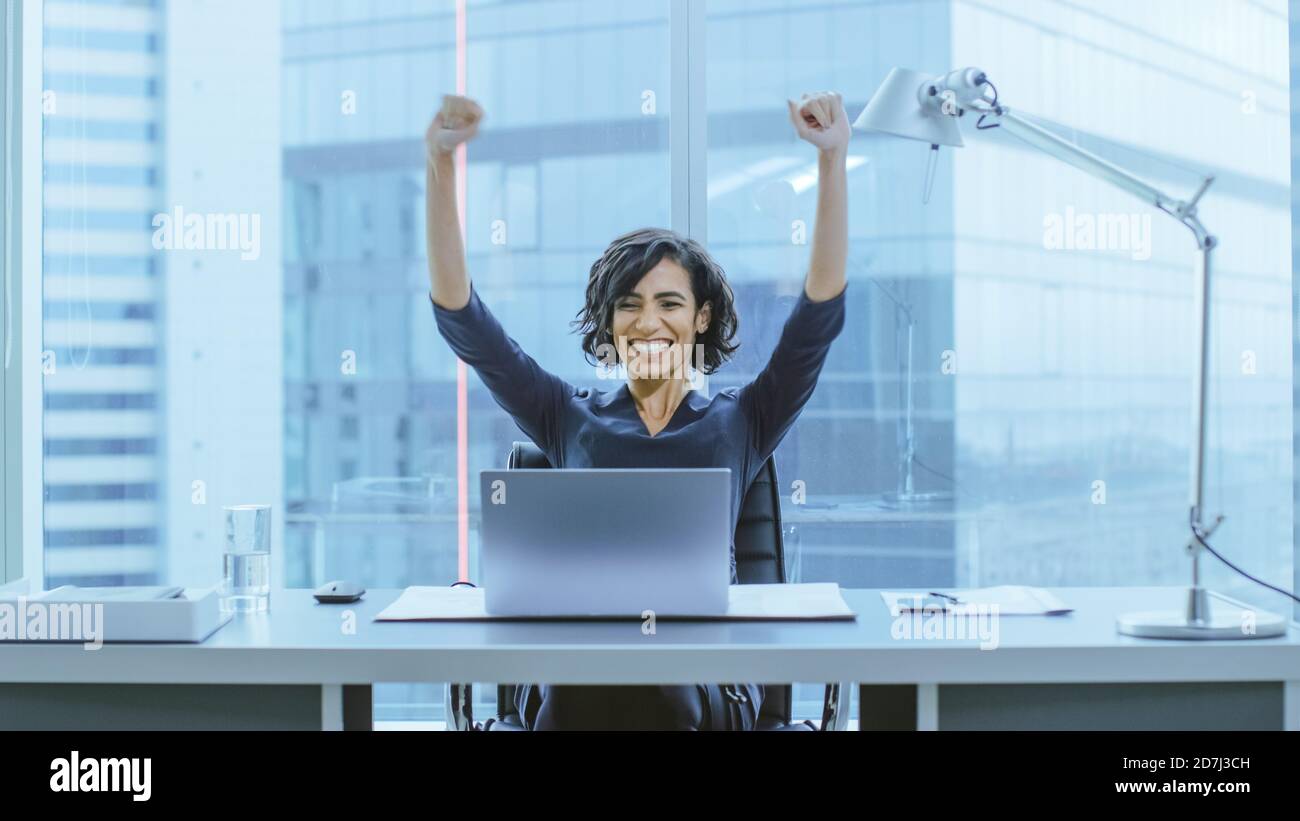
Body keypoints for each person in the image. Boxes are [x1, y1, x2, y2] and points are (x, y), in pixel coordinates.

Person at [426, 90, 849, 730]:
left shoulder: (741, 421)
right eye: (630, 304)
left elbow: (816, 321)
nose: (649, 321)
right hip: (582, 667)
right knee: (584, 691)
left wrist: (831, 162)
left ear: (701, 318)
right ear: (610, 323)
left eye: (670, 303)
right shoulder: (567, 416)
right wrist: (440, 165)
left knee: (657, 692)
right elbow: (464, 321)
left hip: (706, 678)